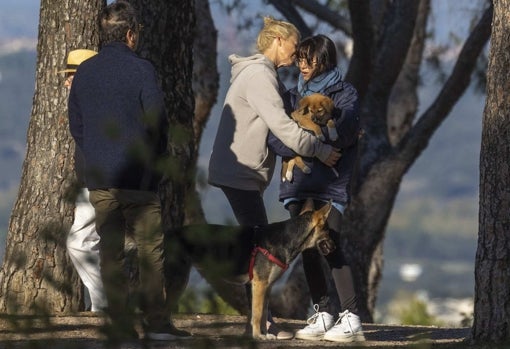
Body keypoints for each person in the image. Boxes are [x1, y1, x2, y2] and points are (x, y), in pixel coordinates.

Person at [208, 17, 340, 339]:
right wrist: (320, 151)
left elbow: (290, 110)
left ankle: (260, 320)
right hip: (240, 172)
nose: (297, 55)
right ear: (278, 40)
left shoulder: (264, 76)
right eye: (295, 46)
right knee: (261, 251)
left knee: (256, 247)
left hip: (242, 171)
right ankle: (262, 325)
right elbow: (283, 127)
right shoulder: (259, 77)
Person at [68, 0, 189, 341]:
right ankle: (156, 324)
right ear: (132, 35)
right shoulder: (141, 70)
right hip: (138, 177)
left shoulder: (86, 72)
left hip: (101, 178)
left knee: (110, 252)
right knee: (151, 250)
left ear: (105, 34)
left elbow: (76, 124)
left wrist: (94, 154)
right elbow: (157, 122)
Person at [267, 34, 365, 342]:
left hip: (331, 185)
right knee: (306, 250)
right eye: (300, 59)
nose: (302, 65)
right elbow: (273, 138)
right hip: (299, 185)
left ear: (324, 60)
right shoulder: (291, 96)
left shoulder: (345, 93)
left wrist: (303, 138)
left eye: (308, 59)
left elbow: (347, 132)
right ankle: (322, 312)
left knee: (329, 245)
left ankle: (350, 317)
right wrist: (317, 145)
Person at [59, 49, 107, 313]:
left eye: (70, 75)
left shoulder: (92, 107)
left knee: (78, 243)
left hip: (97, 183)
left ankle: (102, 304)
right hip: (91, 183)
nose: (66, 81)